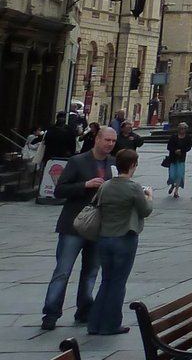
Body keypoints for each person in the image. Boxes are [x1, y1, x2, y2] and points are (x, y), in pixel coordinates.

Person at [42, 124, 117, 331]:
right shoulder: (78, 161)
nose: (110, 144)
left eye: (113, 141)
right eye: (107, 140)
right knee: (63, 271)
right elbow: (59, 190)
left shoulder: (113, 163)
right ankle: (51, 312)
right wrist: (85, 185)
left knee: (91, 271)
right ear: (97, 139)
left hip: (98, 226)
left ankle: (84, 309)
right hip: (73, 225)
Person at [86, 147, 153, 335]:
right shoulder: (133, 187)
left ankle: (94, 324)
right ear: (133, 165)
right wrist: (150, 197)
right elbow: (145, 210)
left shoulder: (106, 185)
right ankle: (111, 324)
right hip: (124, 237)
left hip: (104, 237)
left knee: (106, 280)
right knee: (118, 282)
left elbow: (96, 203)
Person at [164, 121, 192, 198]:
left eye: (183, 128)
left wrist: (182, 151)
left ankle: (176, 191)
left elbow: (189, 147)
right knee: (172, 175)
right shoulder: (173, 137)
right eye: (180, 128)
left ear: (186, 129)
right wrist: (175, 150)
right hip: (173, 158)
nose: (181, 130)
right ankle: (172, 184)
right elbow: (169, 146)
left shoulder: (187, 138)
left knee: (179, 174)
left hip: (181, 158)